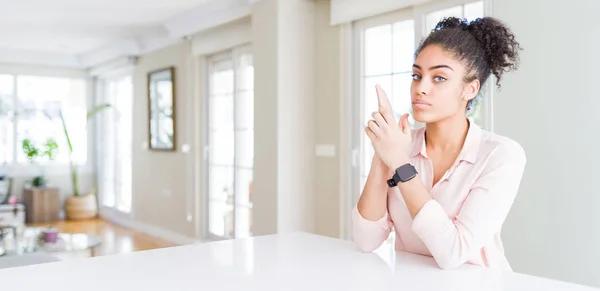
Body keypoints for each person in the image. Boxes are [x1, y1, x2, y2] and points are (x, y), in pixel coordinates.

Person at [352, 16, 525, 271]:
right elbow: (366, 241)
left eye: (439, 78)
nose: (420, 88)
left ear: (470, 89)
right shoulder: (400, 145)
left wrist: (400, 164)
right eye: (416, 75)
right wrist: (382, 155)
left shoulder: (501, 155)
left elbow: (452, 253)